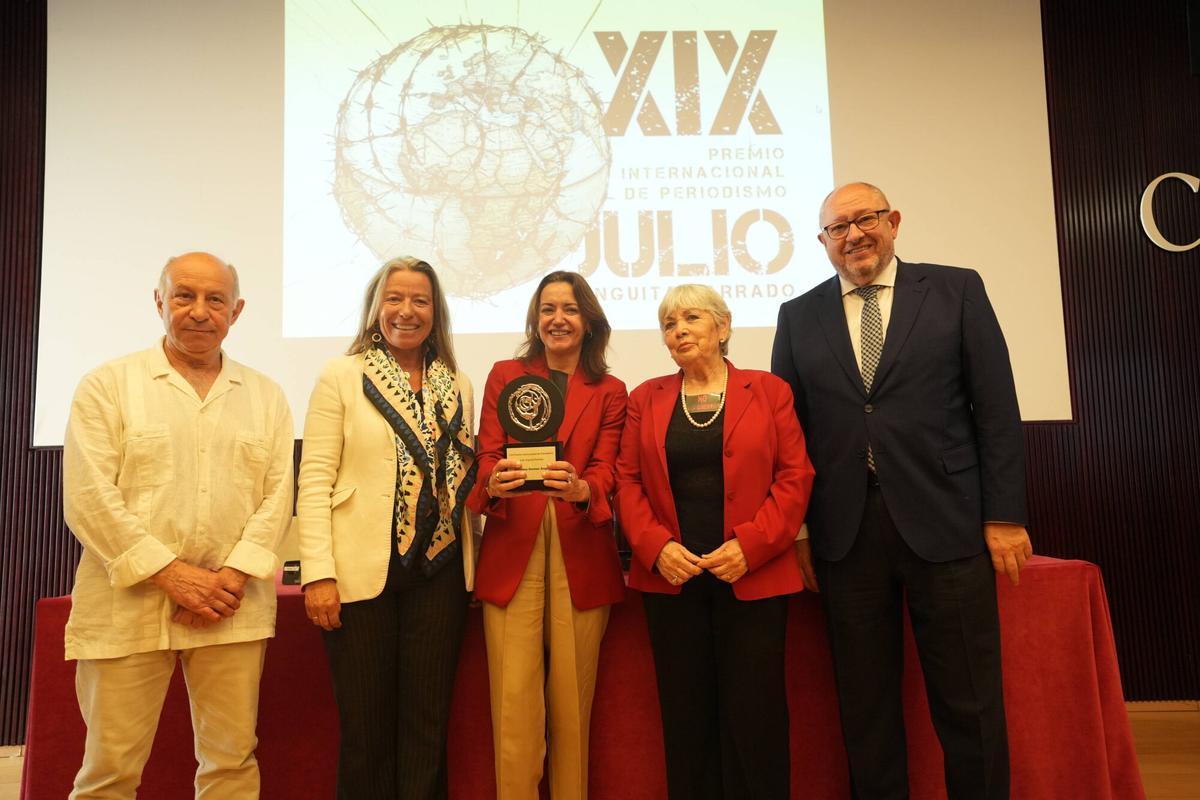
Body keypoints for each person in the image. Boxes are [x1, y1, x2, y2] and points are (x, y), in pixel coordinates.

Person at [771, 182, 1034, 799]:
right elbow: (789, 434)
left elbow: (995, 408)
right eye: (838, 228)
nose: (853, 235)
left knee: (969, 703)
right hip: (845, 535)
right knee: (866, 711)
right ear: (822, 242)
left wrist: (1004, 515)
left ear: (893, 222)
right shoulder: (797, 314)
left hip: (949, 525)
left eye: (865, 220)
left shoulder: (955, 289)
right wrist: (801, 530)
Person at [61, 252, 294, 799]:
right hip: (127, 605)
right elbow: (89, 496)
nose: (199, 311)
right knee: (108, 772)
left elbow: (278, 496)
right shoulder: (107, 385)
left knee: (231, 764)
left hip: (229, 607)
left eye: (215, 300)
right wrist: (172, 575)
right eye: (184, 295)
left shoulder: (265, 396)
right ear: (159, 301)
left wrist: (228, 579)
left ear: (235, 312)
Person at [615, 284, 815, 800]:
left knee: (757, 719)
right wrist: (656, 547)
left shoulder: (770, 391)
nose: (678, 330)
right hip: (673, 581)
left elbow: (795, 477)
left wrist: (750, 546)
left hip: (754, 576)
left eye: (691, 318)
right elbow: (628, 481)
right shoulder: (645, 397)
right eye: (668, 323)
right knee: (686, 720)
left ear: (722, 328)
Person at [297, 257, 478, 799]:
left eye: (420, 300)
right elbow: (314, 480)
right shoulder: (342, 374)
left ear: (435, 312)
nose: (407, 310)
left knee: (428, 728)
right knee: (367, 732)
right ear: (376, 309)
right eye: (394, 298)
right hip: (360, 573)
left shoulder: (458, 383)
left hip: (440, 572)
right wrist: (317, 573)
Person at [467, 271, 627, 800]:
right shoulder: (505, 374)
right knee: (514, 708)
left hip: (580, 551)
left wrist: (583, 488)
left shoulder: (610, 391)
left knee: (572, 711)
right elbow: (487, 454)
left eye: (571, 309)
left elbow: (607, 469)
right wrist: (494, 478)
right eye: (548, 309)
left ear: (589, 321)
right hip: (513, 548)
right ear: (536, 320)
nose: (559, 319)